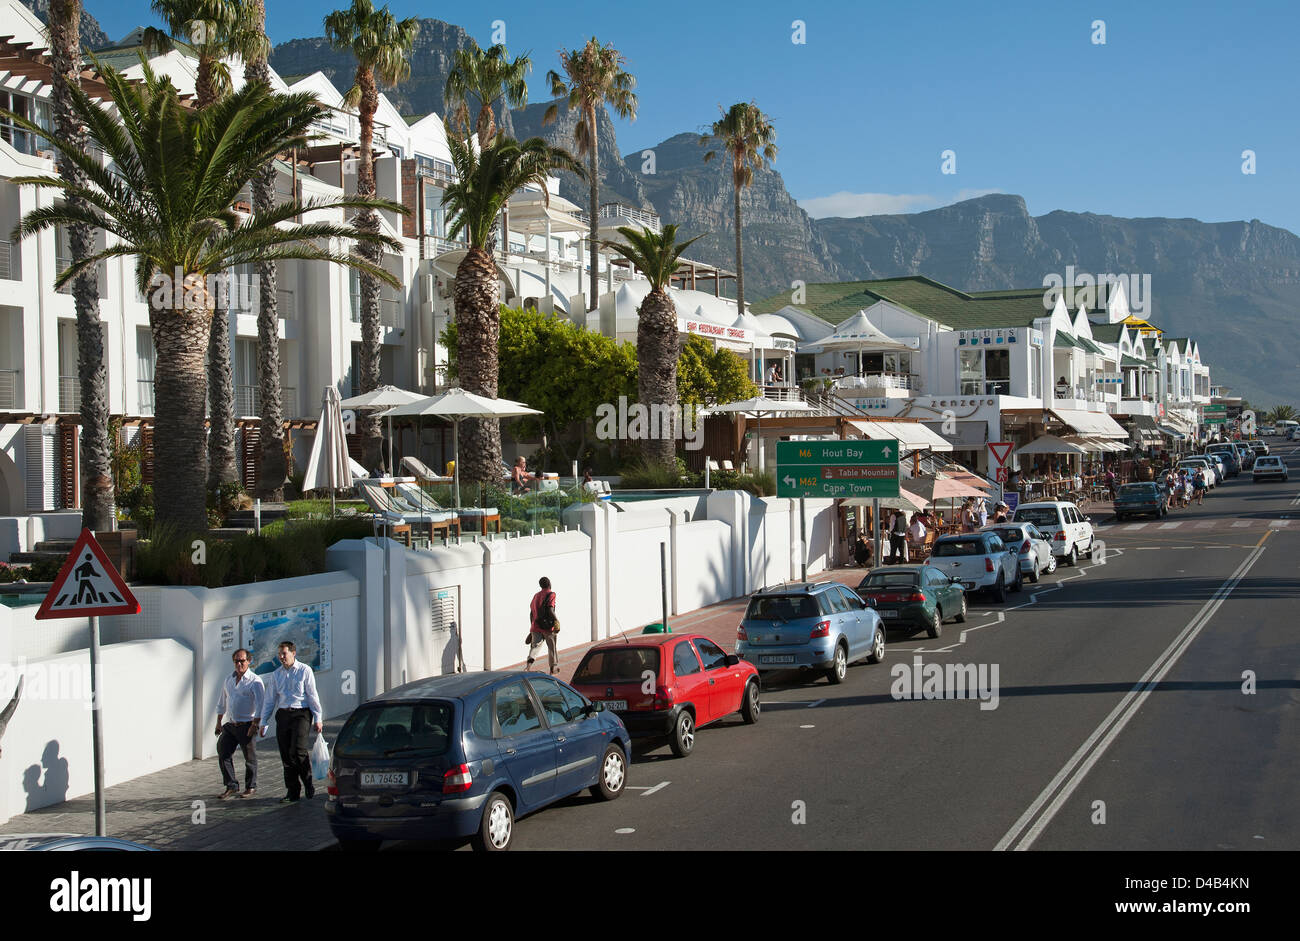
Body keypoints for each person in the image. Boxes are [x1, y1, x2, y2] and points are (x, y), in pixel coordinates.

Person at [258, 641, 323, 803]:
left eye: (284, 653)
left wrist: (318, 718)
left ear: (293, 653)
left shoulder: (304, 670)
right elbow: (270, 700)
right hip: (283, 714)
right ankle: (292, 791)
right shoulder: (277, 674)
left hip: (301, 713)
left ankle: (308, 782)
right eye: (279, 654)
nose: (281, 657)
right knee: (286, 755)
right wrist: (263, 721)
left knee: (298, 750)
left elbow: (312, 696)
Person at [216, 648, 264, 799]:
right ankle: (231, 785)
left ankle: (251, 786)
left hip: (247, 725)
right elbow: (222, 702)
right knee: (223, 753)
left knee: (249, 758)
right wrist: (218, 722)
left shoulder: (255, 681)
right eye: (236, 661)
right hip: (231, 725)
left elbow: (261, 705)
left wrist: (254, 725)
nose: (239, 664)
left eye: (242, 661)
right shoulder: (229, 679)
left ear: (249, 661)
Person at [527, 577, 560, 674]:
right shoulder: (551, 594)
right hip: (547, 627)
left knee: (535, 647)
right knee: (552, 647)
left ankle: (528, 667)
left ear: (540, 585)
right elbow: (550, 609)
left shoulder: (536, 596)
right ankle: (552, 669)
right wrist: (556, 620)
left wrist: (532, 626)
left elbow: (531, 613)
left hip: (535, 625)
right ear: (549, 583)